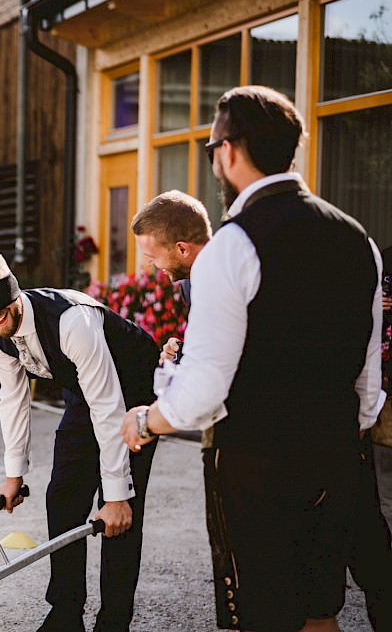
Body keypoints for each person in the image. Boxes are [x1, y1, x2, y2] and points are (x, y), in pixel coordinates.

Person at [122, 85, 385, 632]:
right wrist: (343, 435)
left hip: (259, 466)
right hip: (337, 454)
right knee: (320, 613)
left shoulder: (232, 247)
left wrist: (147, 419)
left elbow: (205, 388)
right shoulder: (359, 239)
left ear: (229, 151)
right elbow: (366, 379)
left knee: (264, 616)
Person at [0, 248, 160, 632]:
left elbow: (109, 408)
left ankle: (114, 620)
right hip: (85, 390)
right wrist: (14, 476)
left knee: (121, 513)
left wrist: (115, 495)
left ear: (12, 285)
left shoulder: (71, 321)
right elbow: (13, 399)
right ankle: (66, 612)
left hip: (133, 390)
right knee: (62, 496)